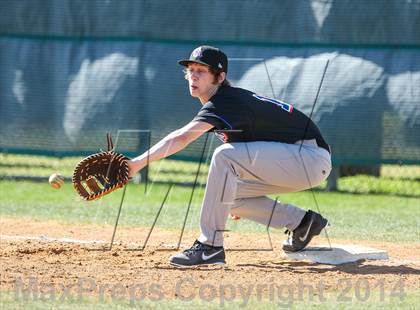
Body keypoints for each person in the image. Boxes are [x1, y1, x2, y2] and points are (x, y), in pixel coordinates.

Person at [127, 46, 332, 267]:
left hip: (308, 157)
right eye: (191, 69)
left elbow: (181, 138)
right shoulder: (227, 105)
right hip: (300, 160)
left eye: (202, 71)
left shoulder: (225, 102)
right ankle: (303, 223)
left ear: (220, 76)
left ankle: (210, 246)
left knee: (223, 156)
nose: (193, 75)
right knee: (226, 196)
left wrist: (135, 164)